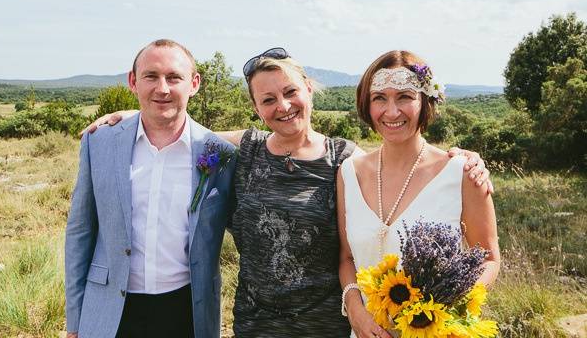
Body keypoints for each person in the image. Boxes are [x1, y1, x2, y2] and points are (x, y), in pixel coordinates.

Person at [84, 47, 493, 337]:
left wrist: (461, 159)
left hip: (326, 324)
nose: (282, 106)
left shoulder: (346, 159)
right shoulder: (240, 149)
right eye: (268, 99)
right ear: (257, 108)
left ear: (309, 90)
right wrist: (133, 114)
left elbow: (401, 162)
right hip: (256, 322)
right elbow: (178, 129)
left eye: (290, 92)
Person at [65, 39, 236, 338]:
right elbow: (80, 232)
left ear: (194, 83)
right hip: (110, 310)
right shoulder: (99, 142)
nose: (163, 88)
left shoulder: (219, 154)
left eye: (174, 77)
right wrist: (75, 320)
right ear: (133, 81)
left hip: (187, 311)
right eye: (151, 76)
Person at [336, 50, 500, 338]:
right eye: (380, 98)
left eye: (404, 97)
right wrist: (355, 311)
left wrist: (447, 313)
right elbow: (347, 258)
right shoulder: (349, 173)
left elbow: (488, 258)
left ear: (425, 101)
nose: (391, 111)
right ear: (366, 104)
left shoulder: (462, 173)